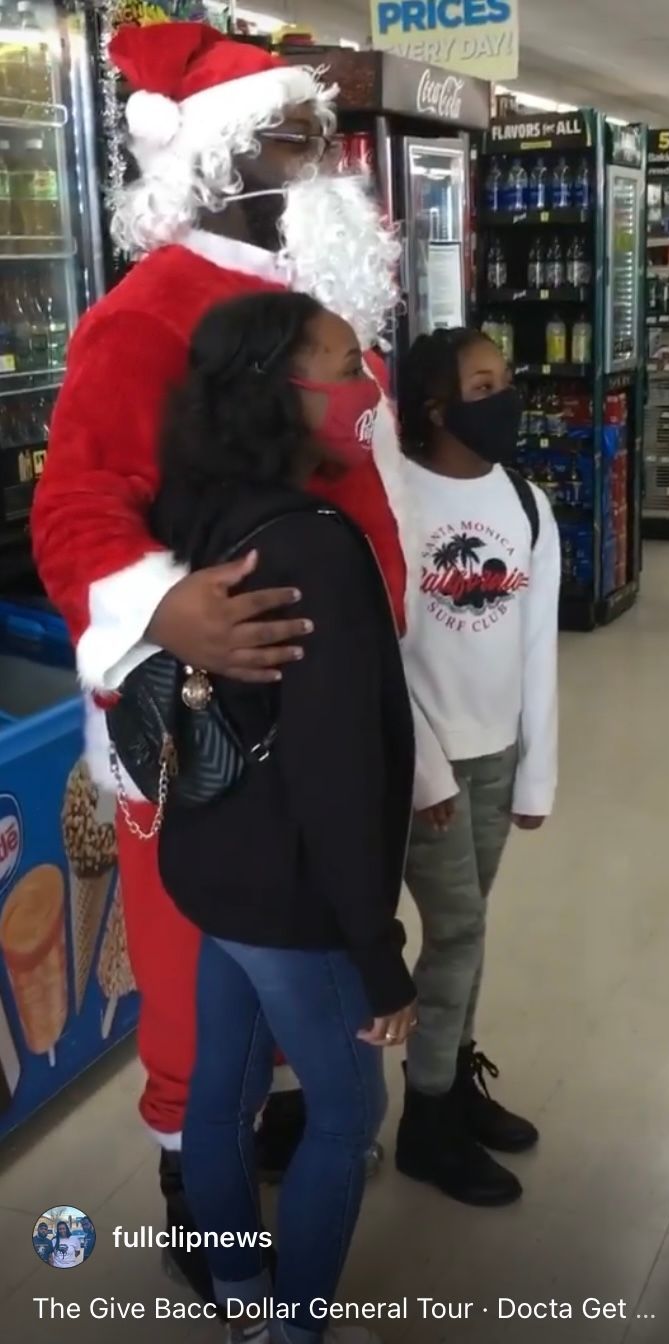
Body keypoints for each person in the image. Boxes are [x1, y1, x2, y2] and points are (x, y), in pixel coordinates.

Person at [31, 22, 406, 1301]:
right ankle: (199, 1184)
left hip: (325, 700)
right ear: (223, 159)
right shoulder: (143, 319)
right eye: (304, 138)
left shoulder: (319, 301)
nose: (331, 160)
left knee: (303, 936)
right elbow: (76, 512)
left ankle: (273, 1118)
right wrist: (164, 612)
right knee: (205, 962)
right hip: (204, 720)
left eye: (326, 135)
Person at [152, 290, 416, 1344]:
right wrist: (379, 949)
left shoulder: (204, 506)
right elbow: (338, 770)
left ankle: (243, 1305)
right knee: (347, 1112)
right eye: (345, 363)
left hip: (213, 860)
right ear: (276, 387)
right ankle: (295, 1333)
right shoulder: (317, 545)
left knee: (219, 1096)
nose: (366, 385)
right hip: (295, 892)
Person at [394, 328, 560, 1207]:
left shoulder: (527, 505)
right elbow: (384, 656)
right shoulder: (392, 500)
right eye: (483, 384)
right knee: (455, 935)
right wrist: (429, 777)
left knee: (469, 932)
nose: (505, 398)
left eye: (507, 381)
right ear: (435, 407)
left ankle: (452, 1082)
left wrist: (537, 776)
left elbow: (538, 654)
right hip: (424, 768)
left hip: (495, 757)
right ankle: (427, 1124)